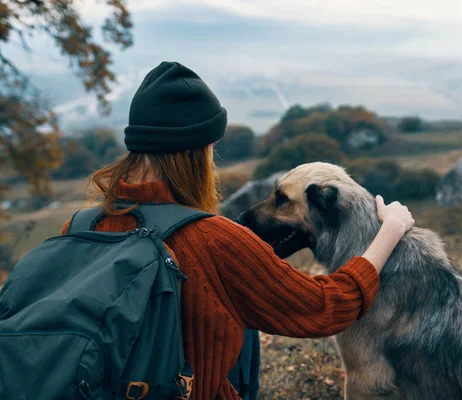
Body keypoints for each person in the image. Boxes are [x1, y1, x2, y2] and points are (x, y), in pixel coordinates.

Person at [62, 61, 415, 400]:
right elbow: (324, 308)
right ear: (200, 152)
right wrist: (389, 231)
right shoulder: (214, 241)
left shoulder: (79, 227)